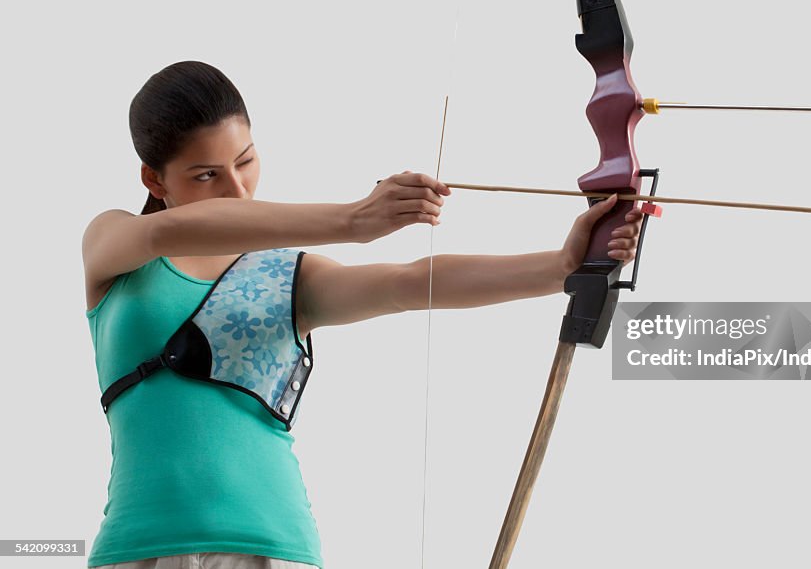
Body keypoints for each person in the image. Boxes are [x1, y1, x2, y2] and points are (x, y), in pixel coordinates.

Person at [82, 61, 642, 569]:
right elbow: (165, 230)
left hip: (271, 546)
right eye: (206, 175)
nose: (237, 188)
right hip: (135, 547)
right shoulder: (115, 247)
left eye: (246, 160)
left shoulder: (284, 276)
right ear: (153, 180)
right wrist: (352, 220)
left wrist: (563, 265)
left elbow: (407, 284)